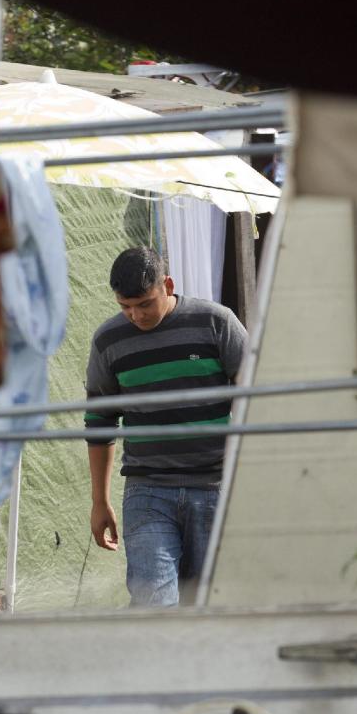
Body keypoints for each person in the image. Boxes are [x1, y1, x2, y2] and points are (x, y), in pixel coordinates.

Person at [85, 246, 247, 606]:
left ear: (168, 285)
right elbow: (99, 421)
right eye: (125, 306)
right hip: (148, 491)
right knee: (152, 603)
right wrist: (99, 501)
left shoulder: (216, 323)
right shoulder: (108, 340)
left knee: (210, 604)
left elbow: (256, 401)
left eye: (144, 303)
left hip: (215, 487)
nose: (134, 315)